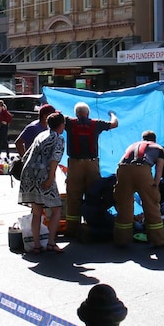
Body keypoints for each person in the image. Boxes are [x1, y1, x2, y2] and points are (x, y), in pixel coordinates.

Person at [64, 102, 118, 238]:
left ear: (76, 113)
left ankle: (72, 230)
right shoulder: (96, 124)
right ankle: (90, 227)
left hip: (75, 164)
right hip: (92, 165)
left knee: (73, 197)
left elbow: (53, 115)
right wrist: (112, 114)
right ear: (88, 113)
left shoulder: (69, 123)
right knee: (93, 195)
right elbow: (114, 124)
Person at [17, 112, 66, 254]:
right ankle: (51, 242)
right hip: (43, 175)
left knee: (37, 211)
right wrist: (51, 178)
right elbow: (54, 160)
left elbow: (27, 154)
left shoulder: (41, 135)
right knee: (56, 208)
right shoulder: (58, 139)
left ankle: (36, 245)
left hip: (29, 174)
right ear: (61, 125)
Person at [113, 131, 164, 247]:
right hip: (142, 169)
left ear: (142, 138)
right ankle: (158, 240)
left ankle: (121, 240)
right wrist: (155, 186)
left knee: (124, 205)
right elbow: (159, 170)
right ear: (155, 139)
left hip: (122, 169)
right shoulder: (158, 148)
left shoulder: (132, 145)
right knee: (151, 205)